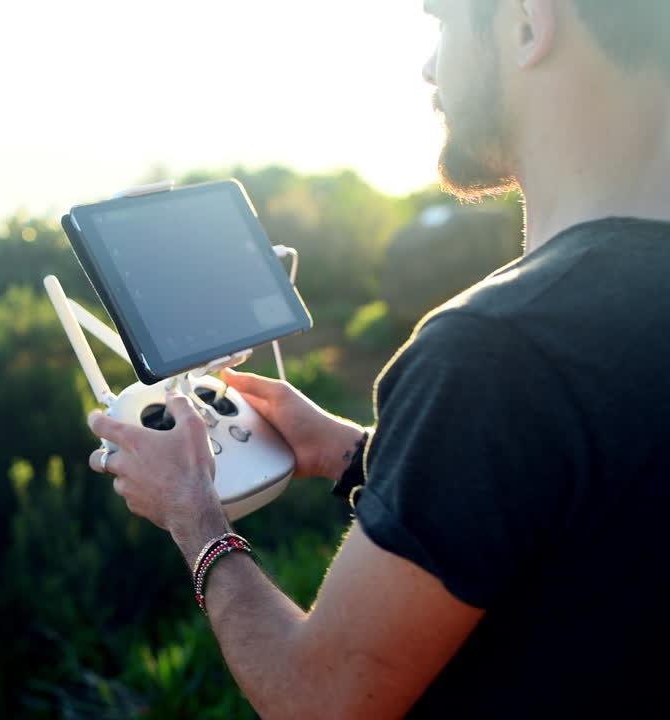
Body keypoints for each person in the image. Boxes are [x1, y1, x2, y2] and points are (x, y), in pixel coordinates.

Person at [85, 1, 670, 717]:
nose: (429, 66)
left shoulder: (497, 352)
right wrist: (356, 456)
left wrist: (193, 515)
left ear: (527, 23)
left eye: (443, 21)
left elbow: (318, 700)